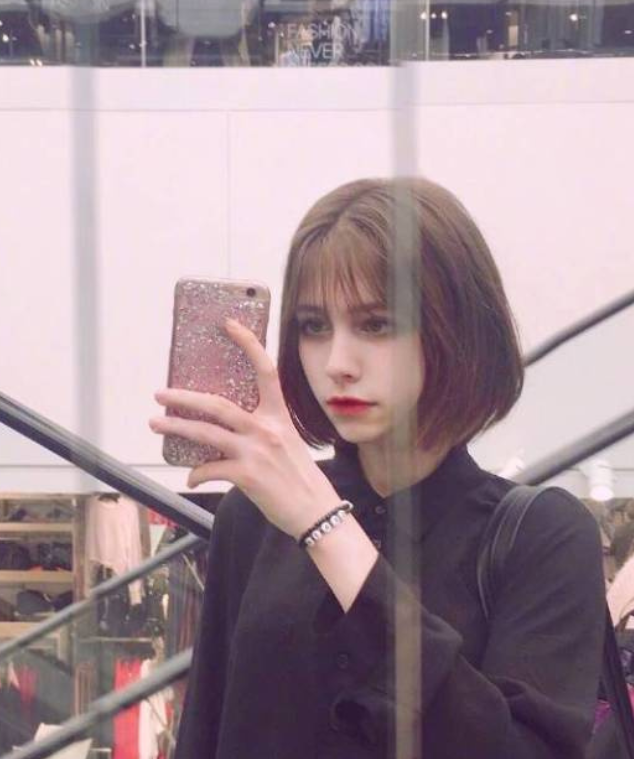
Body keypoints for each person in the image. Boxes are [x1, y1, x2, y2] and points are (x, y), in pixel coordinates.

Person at [149, 178, 606, 758]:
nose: (337, 363)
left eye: (376, 324)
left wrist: (326, 528)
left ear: (454, 328)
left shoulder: (542, 536)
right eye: (314, 326)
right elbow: (208, 730)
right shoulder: (255, 518)